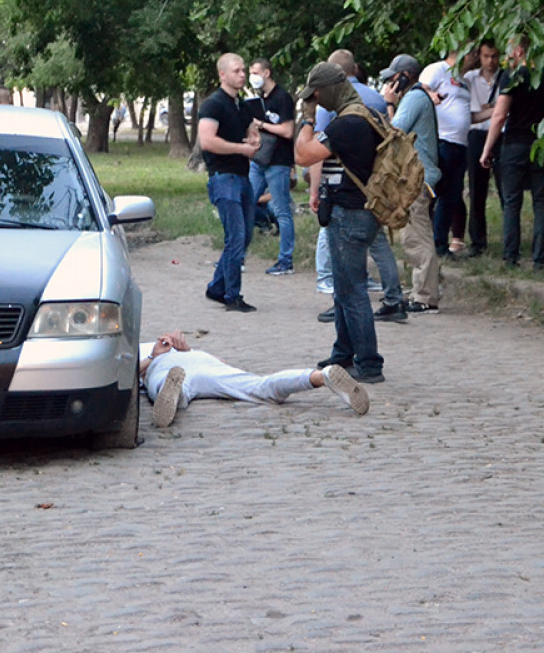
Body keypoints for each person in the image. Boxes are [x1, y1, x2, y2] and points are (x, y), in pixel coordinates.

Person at [295, 61, 387, 384]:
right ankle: (343, 354)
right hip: (361, 211)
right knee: (345, 290)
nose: (316, 102)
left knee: (353, 292)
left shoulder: (347, 123)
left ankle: (369, 363)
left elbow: (303, 155)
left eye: (317, 96)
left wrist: (307, 120)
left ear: (331, 89)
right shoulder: (369, 115)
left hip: (349, 213)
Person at [312, 49, 405, 324]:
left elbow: (317, 150)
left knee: (340, 254)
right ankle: (394, 298)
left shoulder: (330, 103)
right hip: (375, 184)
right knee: (378, 243)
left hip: (344, 189)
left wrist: (314, 190)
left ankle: (339, 299)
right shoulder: (375, 98)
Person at [140, 331, 370, 428]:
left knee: (168, 385)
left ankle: (173, 394)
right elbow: (222, 362)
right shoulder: (149, 348)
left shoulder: (135, 348)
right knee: (260, 386)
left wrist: (159, 355)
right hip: (196, 361)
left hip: (168, 365)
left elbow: (125, 374)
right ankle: (321, 376)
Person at [478, 39, 544, 270]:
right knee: (542, 202)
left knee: (512, 202)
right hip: (542, 145)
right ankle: (540, 259)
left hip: (515, 145)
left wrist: (487, 149)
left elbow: (499, 116)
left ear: (518, 50)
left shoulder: (512, 77)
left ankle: (510, 257)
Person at [198, 53, 261, 312]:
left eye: (244, 70)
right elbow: (207, 141)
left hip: (242, 176)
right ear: (222, 74)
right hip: (224, 177)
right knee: (235, 236)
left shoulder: (241, 106)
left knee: (245, 235)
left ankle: (217, 286)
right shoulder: (213, 105)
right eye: (237, 71)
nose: (243, 74)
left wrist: (253, 140)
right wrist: (240, 149)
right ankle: (232, 296)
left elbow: (251, 130)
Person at [381, 54, 441, 313]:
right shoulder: (417, 97)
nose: (391, 82)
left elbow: (394, 132)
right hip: (418, 176)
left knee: (417, 236)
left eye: (394, 77)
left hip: (418, 178)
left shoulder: (414, 98)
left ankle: (425, 297)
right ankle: (421, 290)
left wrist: (388, 103)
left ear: (404, 76)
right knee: (413, 235)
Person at [243, 58, 297, 276]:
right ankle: (238, 256)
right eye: (250, 72)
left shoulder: (282, 98)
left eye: (255, 72)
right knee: (246, 204)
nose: (252, 76)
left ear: (267, 73)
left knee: (283, 211)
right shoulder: (259, 99)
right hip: (259, 160)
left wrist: (262, 124)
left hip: (278, 161)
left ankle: (286, 260)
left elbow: (287, 131)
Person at [419, 50, 471, 260]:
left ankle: (440, 241)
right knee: (444, 194)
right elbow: (421, 88)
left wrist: (495, 111)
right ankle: (438, 244)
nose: (474, 57)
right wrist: (431, 95)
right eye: (471, 52)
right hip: (443, 140)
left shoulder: (464, 80)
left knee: (453, 194)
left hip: (461, 143)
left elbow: (468, 113)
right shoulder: (438, 69)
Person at [463, 40, 501, 257]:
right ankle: (478, 241)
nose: (490, 61)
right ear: (479, 56)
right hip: (476, 133)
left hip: (500, 133)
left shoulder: (505, 77)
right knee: (477, 189)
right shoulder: (470, 78)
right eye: (486, 56)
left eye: (494, 56)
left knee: (506, 188)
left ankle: (510, 238)